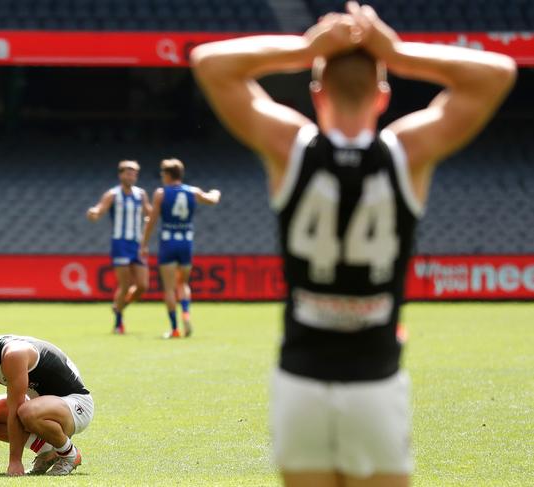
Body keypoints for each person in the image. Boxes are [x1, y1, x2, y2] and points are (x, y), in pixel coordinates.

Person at [191, 3, 515, 486]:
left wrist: (305, 47)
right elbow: (496, 72)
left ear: (316, 93)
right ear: (383, 94)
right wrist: (399, 53)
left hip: (301, 379)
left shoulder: (292, 148)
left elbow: (210, 62)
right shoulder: (407, 152)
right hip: (374, 380)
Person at [0, 316, 94, 476]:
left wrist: (15, 462)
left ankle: (69, 454)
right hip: (40, 406)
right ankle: (47, 452)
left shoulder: (13, 354)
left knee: (25, 411)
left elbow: (15, 409)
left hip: (76, 405)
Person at [140, 158, 221, 338]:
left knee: (169, 288)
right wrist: (215, 192)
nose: (162, 177)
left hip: (168, 243)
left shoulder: (161, 193)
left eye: (162, 174)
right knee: (182, 283)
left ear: (168, 175)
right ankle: (186, 313)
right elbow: (212, 200)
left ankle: (175, 328)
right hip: (186, 242)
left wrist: (144, 244)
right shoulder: (193, 191)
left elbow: (152, 220)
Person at [87, 160, 152, 334]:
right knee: (125, 284)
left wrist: (149, 222)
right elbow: (100, 209)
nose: (132, 176)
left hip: (137, 244)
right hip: (120, 244)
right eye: (128, 173)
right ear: (121, 175)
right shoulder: (113, 194)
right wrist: (93, 213)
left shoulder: (141, 194)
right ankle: (118, 322)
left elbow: (150, 213)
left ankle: (119, 306)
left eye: (134, 173)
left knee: (143, 285)